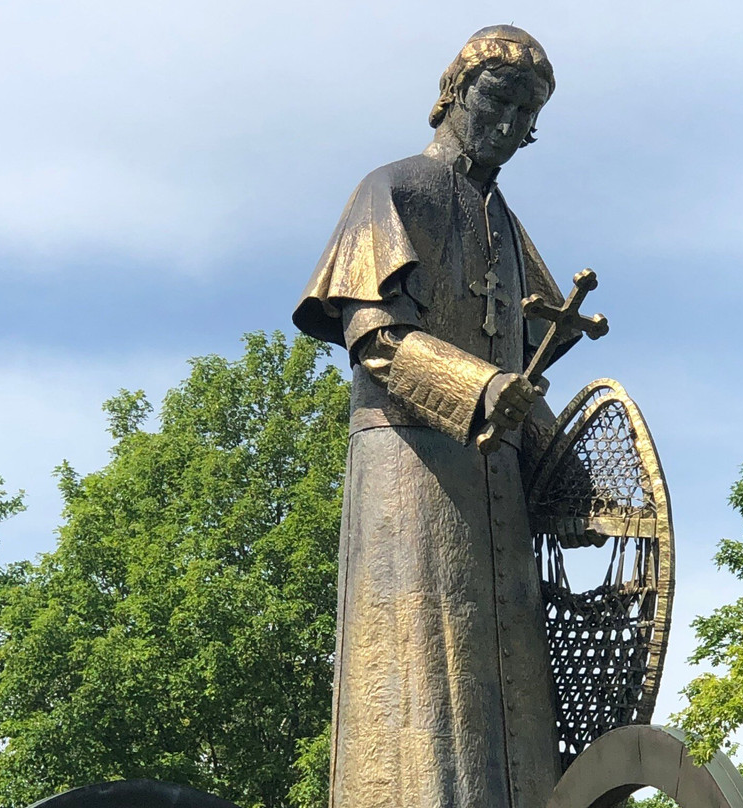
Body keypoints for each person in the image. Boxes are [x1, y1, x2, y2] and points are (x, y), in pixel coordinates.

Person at [293, 25, 572, 808]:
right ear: (455, 91)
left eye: (530, 114)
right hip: (410, 469)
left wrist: (569, 479)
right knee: (422, 676)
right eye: (503, 101)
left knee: (511, 687)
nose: (514, 127)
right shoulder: (395, 190)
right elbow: (374, 338)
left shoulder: (511, 234)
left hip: (499, 486)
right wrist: (479, 389)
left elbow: (527, 372)